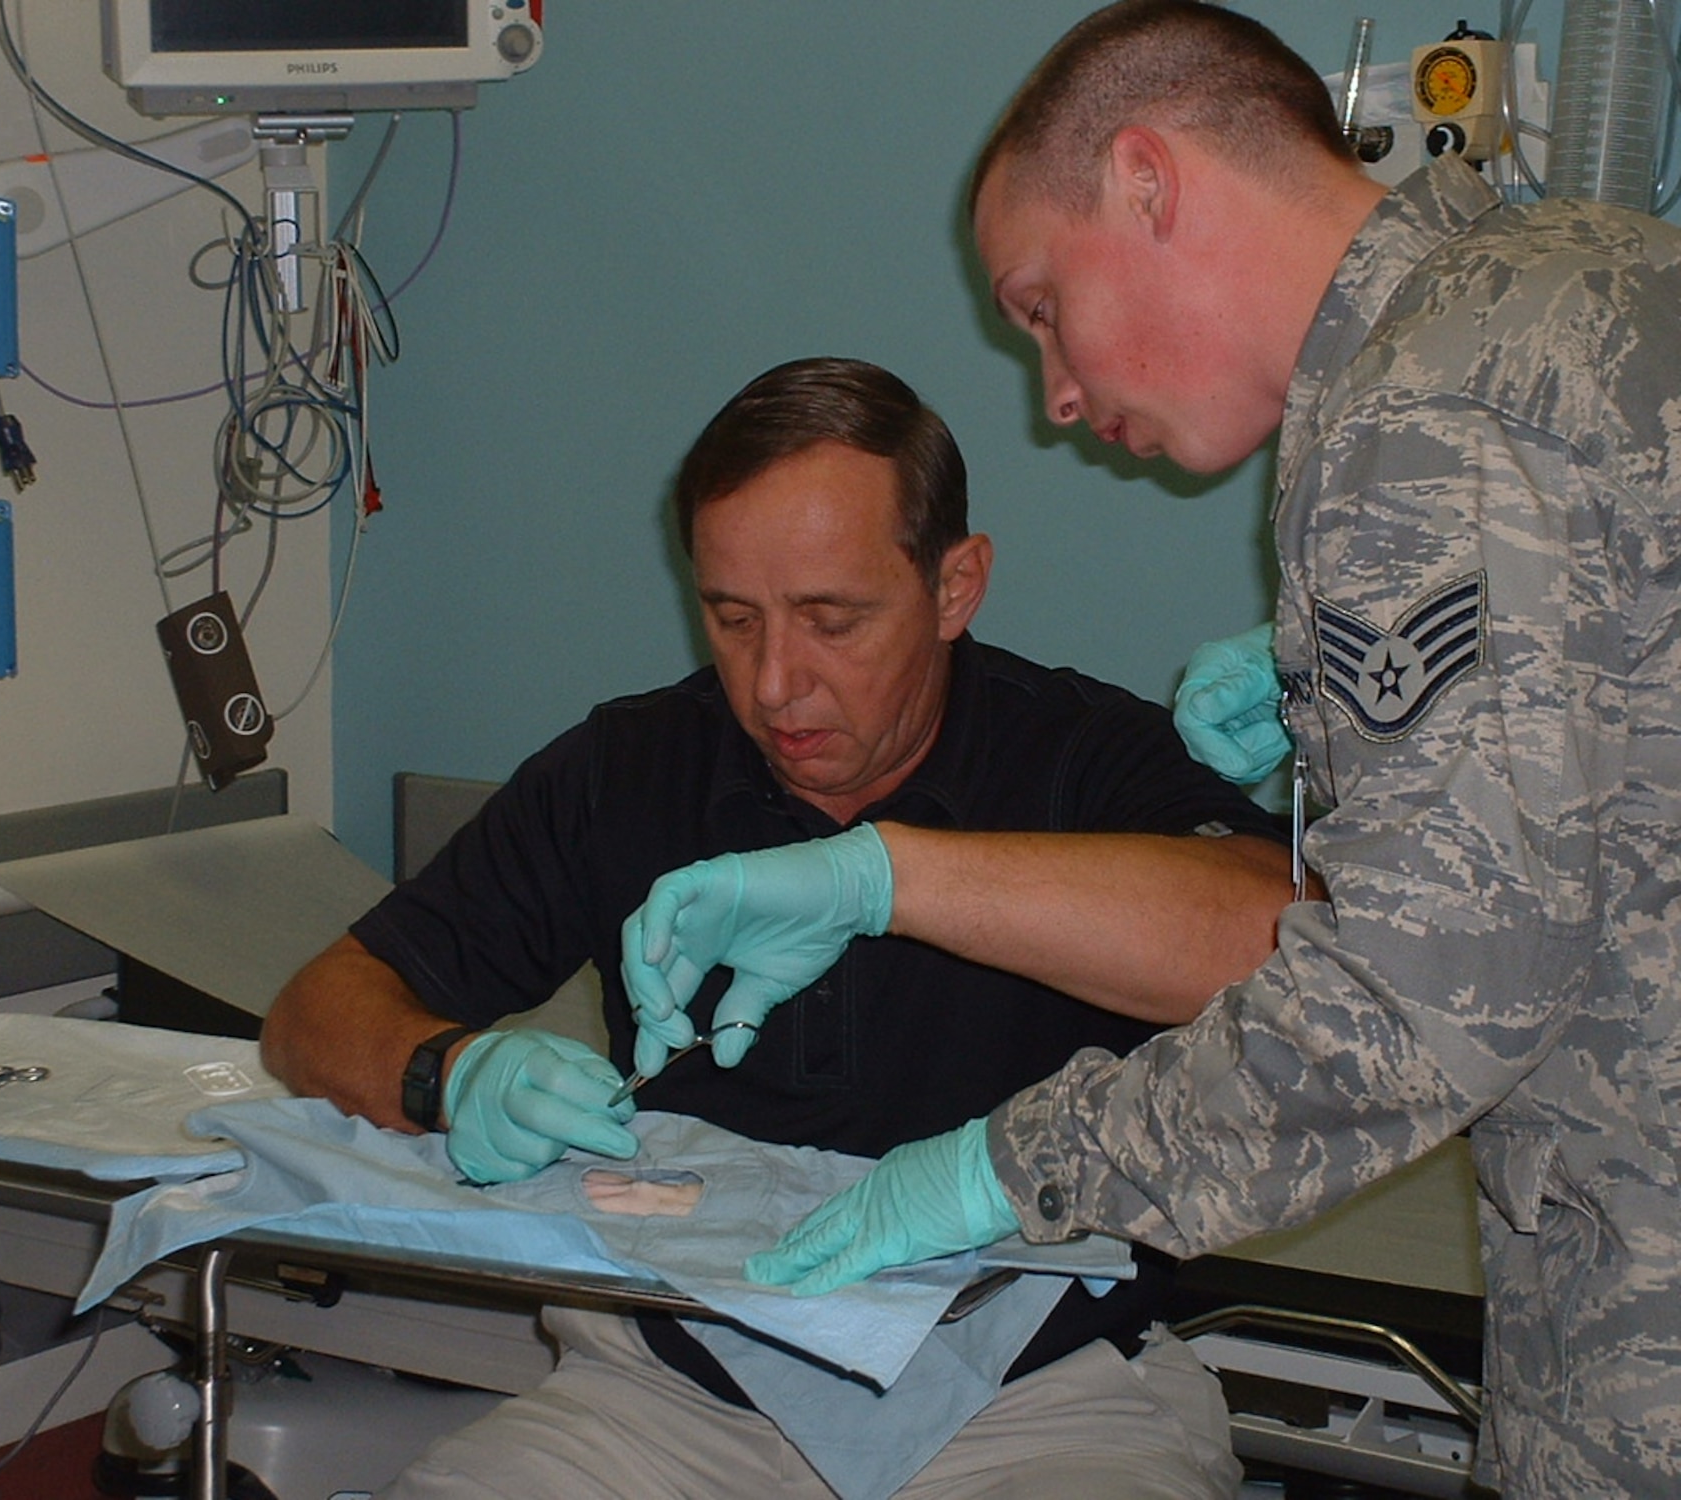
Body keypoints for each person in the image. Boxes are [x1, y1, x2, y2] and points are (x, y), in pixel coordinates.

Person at [622, 4, 1681, 1495]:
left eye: (1044, 305)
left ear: (1147, 180)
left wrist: (1008, 1167)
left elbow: (1419, 1003)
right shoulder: (1587, 276)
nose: (1053, 392)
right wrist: (1336, 688)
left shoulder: (1422, 416)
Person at [261, 355, 1294, 1498]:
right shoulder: (631, 769)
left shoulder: (1080, 756)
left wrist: (886, 876)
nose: (774, 686)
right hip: (668, 1397)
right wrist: (448, 1077)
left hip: (1035, 1403)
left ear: (954, 587)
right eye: (733, 619)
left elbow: (1279, 943)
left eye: (831, 620)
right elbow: (317, 1011)